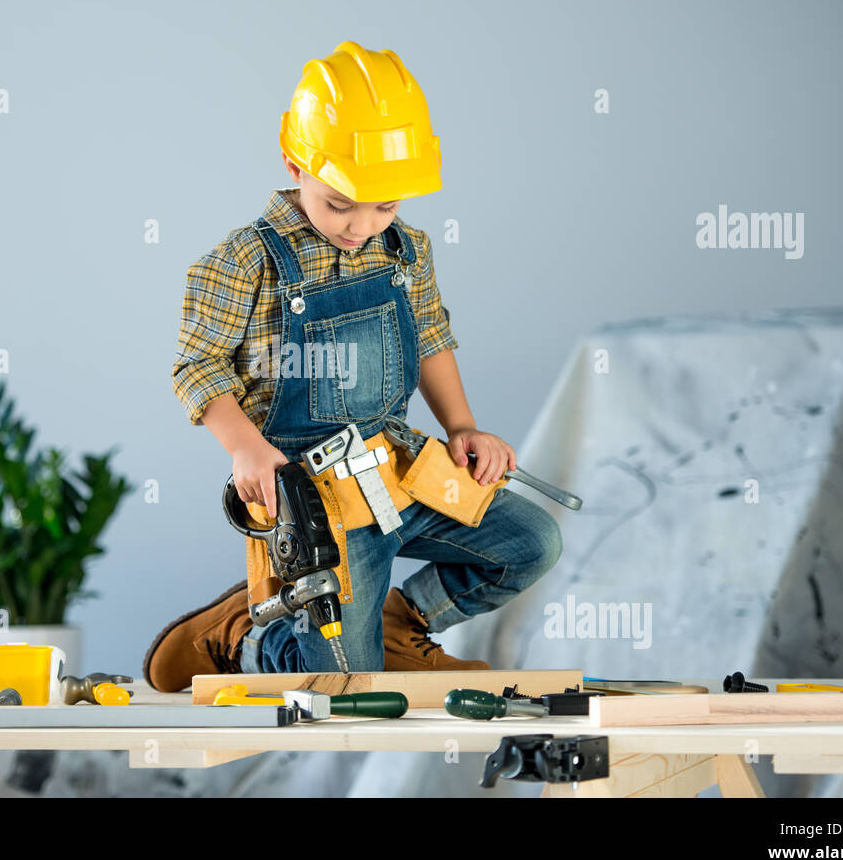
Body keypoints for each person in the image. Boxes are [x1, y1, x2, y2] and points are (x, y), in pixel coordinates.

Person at [145, 41, 562, 691]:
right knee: (341, 682)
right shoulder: (243, 261)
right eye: (341, 202)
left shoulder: (404, 250)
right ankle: (249, 634)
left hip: (397, 473)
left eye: (385, 205)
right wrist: (246, 448)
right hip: (314, 504)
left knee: (533, 540)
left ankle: (399, 624)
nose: (361, 224)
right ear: (295, 162)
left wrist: (463, 428)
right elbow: (197, 366)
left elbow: (429, 335)